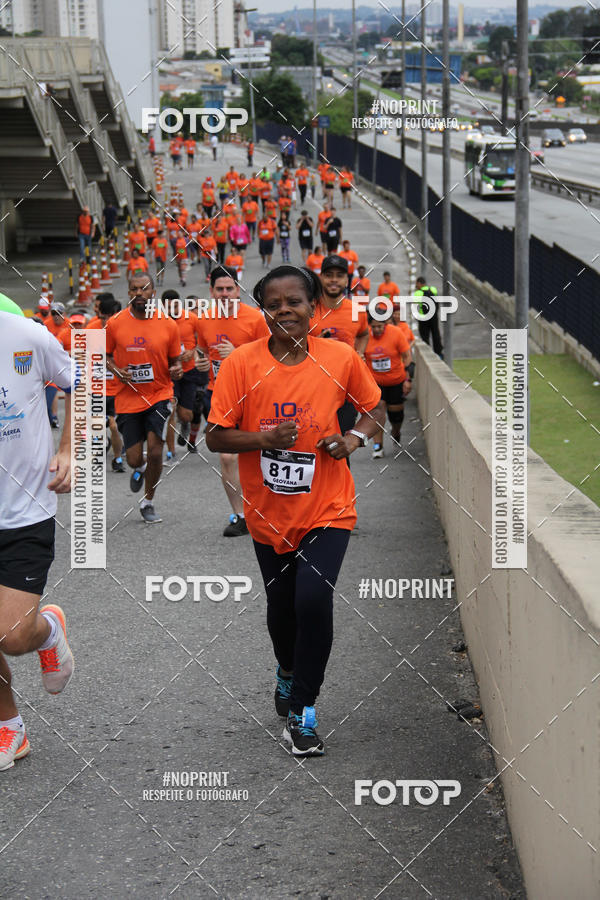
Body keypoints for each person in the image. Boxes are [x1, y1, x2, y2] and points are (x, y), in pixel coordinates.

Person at [205, 265, 383, 755]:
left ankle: (304, 709)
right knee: (282, 609)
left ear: (312, 308)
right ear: (263, 311)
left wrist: (351, 439)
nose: (285, 310)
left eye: (294, 301)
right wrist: (263, 438)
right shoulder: (240, 363)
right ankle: (286, 669)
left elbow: (374, 411)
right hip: (267, 512)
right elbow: (215, 434)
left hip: (329, 505)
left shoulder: (340, 357)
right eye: (274, 303)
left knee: (312, 601)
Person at [0, 295, 74, 771]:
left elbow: (82, 383)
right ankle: (9, 729)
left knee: (9, 636)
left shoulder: (23, 334)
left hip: (22, 512)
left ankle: (46, 632)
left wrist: (67, 449)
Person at [196, 266, 270, 535]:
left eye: (230, 289)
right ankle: (240, 516)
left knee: (258, 454)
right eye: (220, 289)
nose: (225, 294)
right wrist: (202, 362)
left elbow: (270, 357)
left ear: (238, 291)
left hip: (254, 395)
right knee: (227, 457)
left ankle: (264, 509)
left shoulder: (255, 319)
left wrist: (238, 353)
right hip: (221, 395)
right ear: (212, 292)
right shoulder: (203, 320)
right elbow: (203, 352)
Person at [105, 274, 183, 524]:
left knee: (157, 451)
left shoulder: (168, 324)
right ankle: (139, 468)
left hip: (159, 395)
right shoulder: (115, 323)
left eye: (144, 288)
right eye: (134, 289)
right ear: (128, 293)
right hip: (128, 398)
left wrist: (177, 370)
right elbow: (104, 355)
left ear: (153, 292)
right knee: (134, 457)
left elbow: (175, 362)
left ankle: (148, 501)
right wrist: (116, 370)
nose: (139, 293)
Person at [311, 255, 369, 443]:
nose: (334, 280)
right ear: (321, 278)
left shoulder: (356, 311)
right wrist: (314, 344)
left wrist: (359, 354)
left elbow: (364, 334)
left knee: (341, 445)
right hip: (313, 390)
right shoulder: (309, 310)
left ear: (347, 280)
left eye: (339, 275)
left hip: (346, 391)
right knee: (313, 443)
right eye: (328, 275)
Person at [87, 294, 126, 472]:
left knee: (113, 425)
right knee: (96, 424)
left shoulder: (124, 332)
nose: (104, 322)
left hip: (117, 390)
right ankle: (97, 454)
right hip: (96, 388)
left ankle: (118, 459)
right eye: (102, 318)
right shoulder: (91, 329)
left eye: (108, 318)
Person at [364, 313, 412, 457]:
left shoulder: (396, 333)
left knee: (396, 415)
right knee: (378, 413)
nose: (377, 329)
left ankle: (396, 432)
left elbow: (407, 356)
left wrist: (408, 380)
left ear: (386, 324)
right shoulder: (365, 335)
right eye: (374, 327)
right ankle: (378, 446)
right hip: (376, 383)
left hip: (396, 381)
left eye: (380, 326)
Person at [414, 276, 443, 358]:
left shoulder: (417, 293)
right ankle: (439, 353)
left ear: (419, 283)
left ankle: (428, 354)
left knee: (425, 336)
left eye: (417, 284)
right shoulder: (433, 289)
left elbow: (416, 305)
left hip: (423, 318)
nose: (416, 285)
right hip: (434, 317)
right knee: (435, 334)